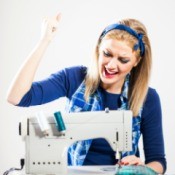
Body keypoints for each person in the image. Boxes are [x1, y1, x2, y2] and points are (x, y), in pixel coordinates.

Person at [7, 13, 166, 174]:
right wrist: (44, 41)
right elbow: (17, 97)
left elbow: (158, 162)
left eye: (122, 60)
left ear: (136, 61)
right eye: (107, 54)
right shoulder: (74, 79)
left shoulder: (148, 98)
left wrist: (143, 170)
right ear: (98, 49)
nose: (111, 65)